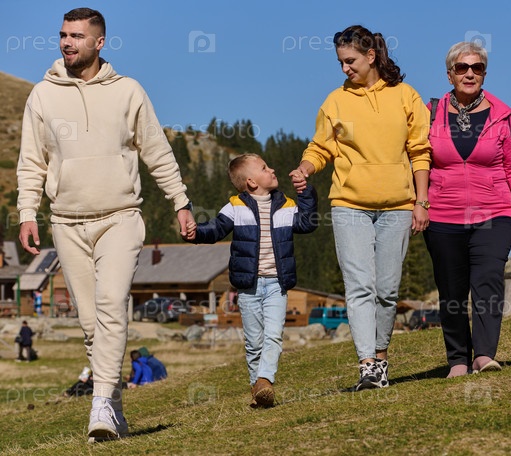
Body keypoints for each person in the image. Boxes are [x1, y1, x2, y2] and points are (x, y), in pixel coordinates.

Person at [15, 8, 195, 442]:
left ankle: (99, 405)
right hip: (67, 222)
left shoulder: (128, 91)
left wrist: (181, 201)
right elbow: (31, 162)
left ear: (99, 43)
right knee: (91, 324)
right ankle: (113, 406)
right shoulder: (42, 95)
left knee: (113, 306)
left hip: (120, 217)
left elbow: (156, 150)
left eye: (77, 36)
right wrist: (27, 213)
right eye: (63, 34)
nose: (67, 42)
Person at [291, 25, 432, 391]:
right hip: (349, 205)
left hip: (398, 206)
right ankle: (367, 364)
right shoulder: (335, 101)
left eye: (350, 60)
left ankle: (381, 358)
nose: (345, 69)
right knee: (358, 287)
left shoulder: (406, 96)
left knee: (386, 290)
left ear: (371, 56)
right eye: (340, 62)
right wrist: (306, 168)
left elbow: (420, 152)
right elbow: (321, 147)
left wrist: (421, 201)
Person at [423, 42, 511, 378]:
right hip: (442, 215)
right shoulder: (430, 113)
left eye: (477, 68)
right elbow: (418, 160)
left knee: (487, 281)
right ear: (450, 74)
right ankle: (458, 359)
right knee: (451, 289)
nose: (469, 73)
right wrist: (418, 203)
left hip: (494, 214)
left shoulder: (503, 115)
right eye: (462, 67)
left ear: (484, 74)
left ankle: (484, 355)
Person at [186, 153, 318, 408]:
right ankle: (257, 389)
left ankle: (265, 379)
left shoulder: (287, 205)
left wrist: (305, 194)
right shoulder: (235, 207)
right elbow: (215, 230)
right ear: (251, 182)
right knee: (254, 342)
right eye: (264, 168)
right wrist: (194, 233)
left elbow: (307, 223)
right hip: (248, 286)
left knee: (273, 336)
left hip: (277, 284)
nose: (272, 170)